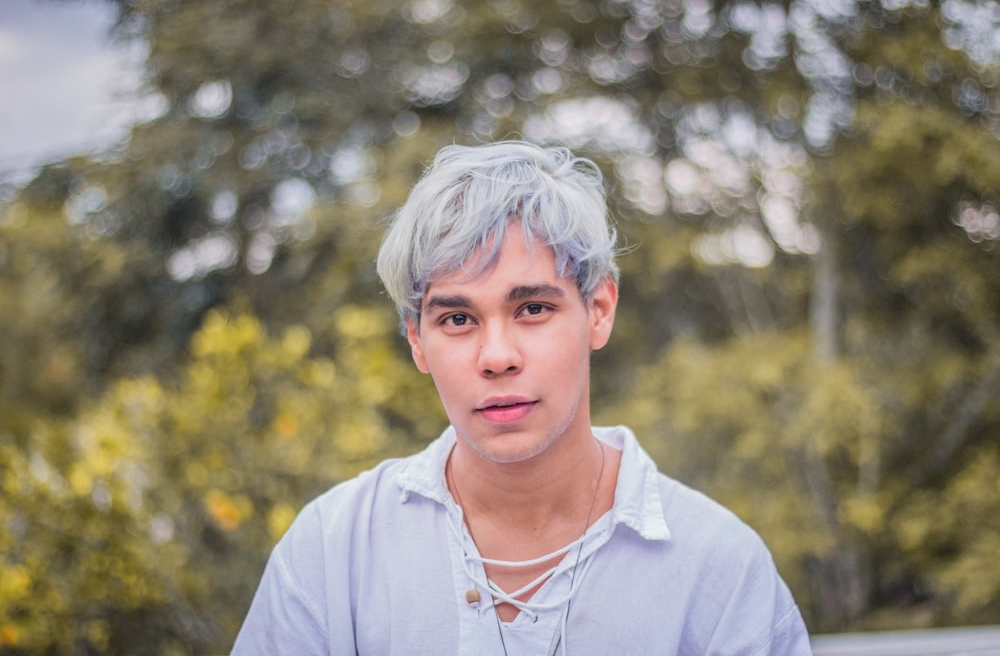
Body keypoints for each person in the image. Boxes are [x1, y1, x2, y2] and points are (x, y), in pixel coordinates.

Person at [231, 141, 812, 654]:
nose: (497, 355)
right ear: (417, 341)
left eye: (533, 308)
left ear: (599, 311)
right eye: (458, 318)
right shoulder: (334, 550)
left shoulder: (718, 569)